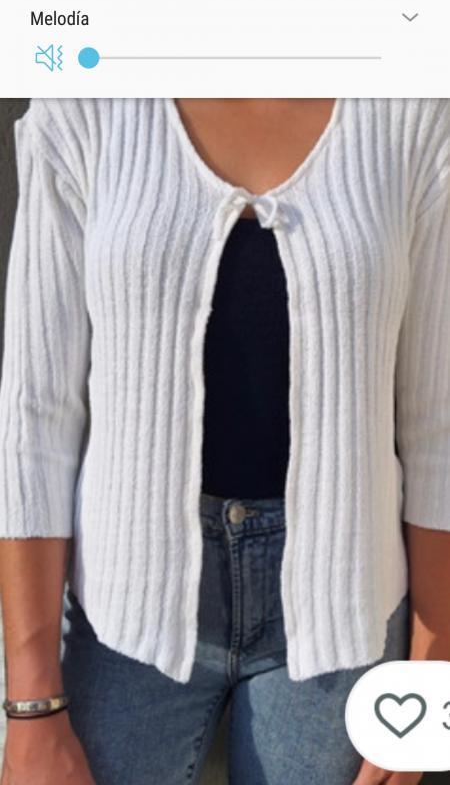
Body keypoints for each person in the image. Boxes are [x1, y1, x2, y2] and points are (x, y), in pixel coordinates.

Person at [1, 97, 450, 785]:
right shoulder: (86, 107)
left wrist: (426, 688)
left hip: (343, 612)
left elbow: (436, 425)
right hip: (123, 613)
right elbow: (34, 416)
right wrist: (31, 705)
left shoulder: (412, 117)